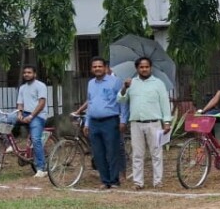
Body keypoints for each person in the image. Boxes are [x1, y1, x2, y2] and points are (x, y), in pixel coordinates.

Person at [73, 57, 127, 189]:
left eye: (100, 66)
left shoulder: (115, 82)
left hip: (110, 121)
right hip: (94, 122)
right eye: (94, 66)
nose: (97, 68)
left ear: (105, 68)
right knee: (98, 153)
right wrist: (87, 123)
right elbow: (90, 103)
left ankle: (114, 181)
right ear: (92, 69)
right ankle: (105, 180)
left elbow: (123, 101)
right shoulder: (91, 83)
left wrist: (123, 120)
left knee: (112, 151)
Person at [119, 57, 172, 190]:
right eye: (141, 67)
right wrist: (124, 87)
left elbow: (165, 104)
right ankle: (138, 182)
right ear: (137, 68)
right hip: (136, 124)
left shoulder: (158, 83)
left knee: (156, 153)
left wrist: (166, 122)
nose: (144, 69)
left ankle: (158, 182)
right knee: (137, 154)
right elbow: (120, 100)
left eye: (146, 67)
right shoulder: (131, 83)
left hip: (154, 123)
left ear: (150, 68)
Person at [14, 65, 48, 177]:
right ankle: (9, 144)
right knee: (4, 120)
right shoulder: (22, 88)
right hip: (25, 113)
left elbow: (42, 104)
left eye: (29, 72)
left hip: (38, 115)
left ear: (35, 74)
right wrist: (19, 113)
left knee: (36, 139)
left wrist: (31, 116)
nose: (26, 74)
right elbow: (20, 103)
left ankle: (41, 168)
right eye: (25, 73)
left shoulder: (40, 86)